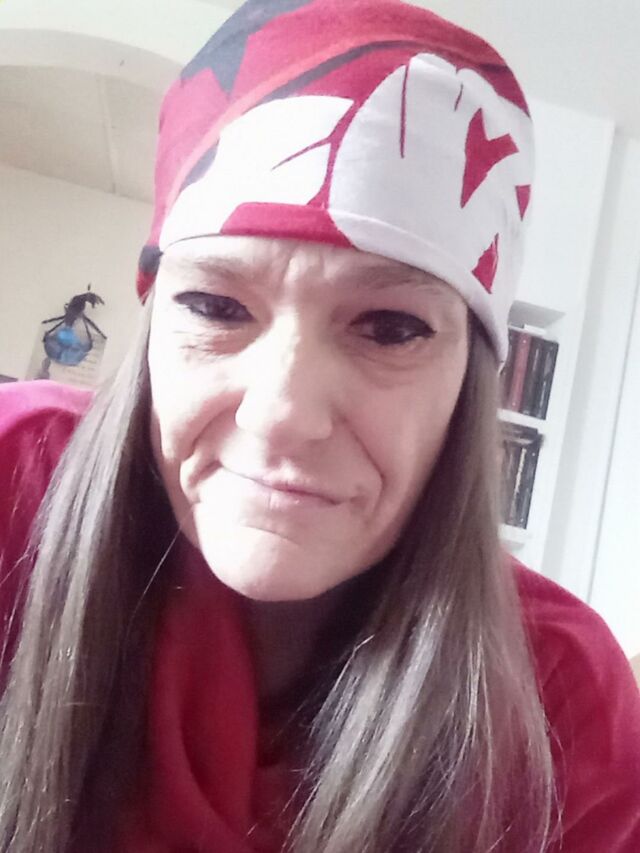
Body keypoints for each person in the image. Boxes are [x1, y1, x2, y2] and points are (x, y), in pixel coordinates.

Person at [0, 1, 639, 851]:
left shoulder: (564, 703)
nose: (283, 414)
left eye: (390, 327)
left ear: (469, 380)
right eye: (217, 306)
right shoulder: (17, 479)